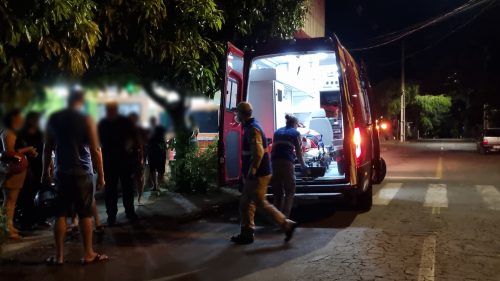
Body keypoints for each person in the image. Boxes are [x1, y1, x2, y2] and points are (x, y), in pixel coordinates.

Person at [42, 89, 108, 264]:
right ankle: (88, 254)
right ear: (81, 101)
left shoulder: (54, 119)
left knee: (60, 214)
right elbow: (95, 150)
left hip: (61, 173)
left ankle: (59, 256)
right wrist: (101, 175)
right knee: (85, 213)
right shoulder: (87, 120)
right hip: (82, 173)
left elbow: (47, 148)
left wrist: (44, 173)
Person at [230, 102, 297, 245]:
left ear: (242, 114)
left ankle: (286, 225)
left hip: (258, 173)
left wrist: (252, 171)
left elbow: (258, 152)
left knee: (255, 203)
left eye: (237, 113)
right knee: (248, 203)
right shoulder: (252, 126)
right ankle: (247, 232)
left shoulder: (252, 129)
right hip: (261, 172)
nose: (236, 116)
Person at [98, 102, 139, 225]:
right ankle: (115, 215)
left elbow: (134, 138)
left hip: (118, 160)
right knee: (114, 189)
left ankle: (124, 213)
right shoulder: (105, 123)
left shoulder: (106, 123)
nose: (110, 111)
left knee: (122, 188)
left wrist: (130, 147)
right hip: (114, 160)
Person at [1, 109, 38, 240]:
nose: (22, 120)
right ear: (13, 118)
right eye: (20, 117)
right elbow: (10, 153)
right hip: (13, 170)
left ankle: (9, 226)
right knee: (10, 201)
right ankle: (7, 228)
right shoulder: (9, 133)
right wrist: (28, 149)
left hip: (16, 170)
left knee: (12, 201)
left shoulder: (12, 132)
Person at [16, 111, 50, 230]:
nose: (35, 122)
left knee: (40, 193)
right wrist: (28, 151)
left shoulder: (41, 133)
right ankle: (27, 221)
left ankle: (40, 219)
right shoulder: (21, 134)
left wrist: (48, 167)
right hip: (27, 167)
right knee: (27, 194)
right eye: (34, 119)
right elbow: (15, 151)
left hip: (39, 165)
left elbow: (47, 150)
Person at [271, 115, 308, 218]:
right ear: (295, 124)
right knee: (290, 190)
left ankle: (276, 218)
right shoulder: (295, 133)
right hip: (286, 162)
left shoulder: (277, 132)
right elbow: (299, 152)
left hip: (274, 162)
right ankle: (285, 219)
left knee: (277, 192)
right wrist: (303, 166)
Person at [128, 112, 146, 205]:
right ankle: (136, 196)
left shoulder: (139, 130)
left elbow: (141, 145)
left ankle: (140, 197)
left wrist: (142, 157)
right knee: (131, 179)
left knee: (140, 178)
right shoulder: (125, 130)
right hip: (128, 157)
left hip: (137, 156)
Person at [147, 117, 167, 192]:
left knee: (160, 169)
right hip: (151, 151)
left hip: (160, 151)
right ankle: (154, 185)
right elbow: (146, 140)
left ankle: (158, 185)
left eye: (153, 121)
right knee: (152, 169)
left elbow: (164, 138)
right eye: (151, 121)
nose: (152, 123)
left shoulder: (160, 128)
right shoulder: (148, 130)